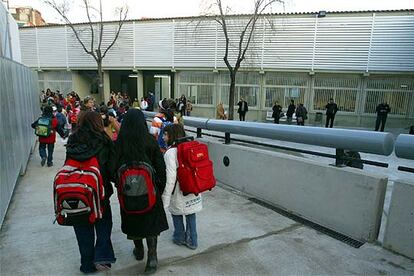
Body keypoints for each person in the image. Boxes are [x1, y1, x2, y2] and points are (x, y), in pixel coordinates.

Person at [115, 109, 168, 274]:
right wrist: (158, 189)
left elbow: (112, 169)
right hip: (150, 193)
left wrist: (121, 186)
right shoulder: (150, 141)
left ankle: (139, 251)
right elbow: (161, 169)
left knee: (133, 221)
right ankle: (152, 257)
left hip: (128, 194)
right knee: (150, 224)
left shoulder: (119, 143)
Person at [65, 111, 116, 273]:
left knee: (82, 229)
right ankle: (102, 258)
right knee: (103, 225)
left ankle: (86, 265)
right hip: (100, 193)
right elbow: (111, 168)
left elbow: (68, 165)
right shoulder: (103, 140)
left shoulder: (72, 140)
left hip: (78, 193)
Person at [161, 124, 202, 250]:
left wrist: (165, 198)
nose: (163, 137)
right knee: (191, 213)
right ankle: (193, 240)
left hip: (179, 190)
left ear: (171, 135)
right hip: (193, 187)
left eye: (165, 134)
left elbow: (170, 178)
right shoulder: (191, 146)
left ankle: (179, 237)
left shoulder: (170, 152)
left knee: (176, 213)